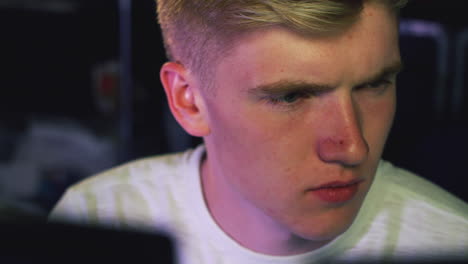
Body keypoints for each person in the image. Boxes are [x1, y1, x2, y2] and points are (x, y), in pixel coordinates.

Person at [50, 0, 468, 263]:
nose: (353, 146)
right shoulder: (98, 219)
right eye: (291, 97)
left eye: (374, 84)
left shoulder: (453, 242)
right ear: (188, 100)